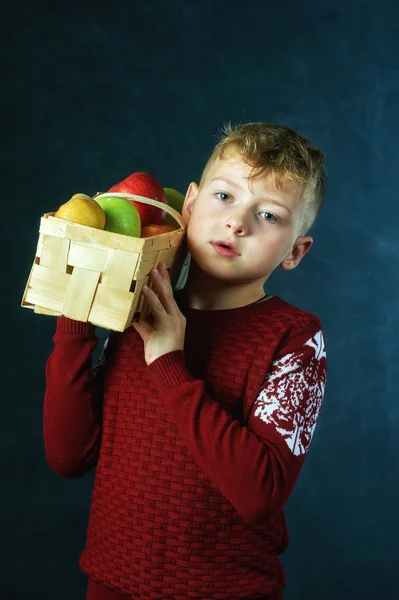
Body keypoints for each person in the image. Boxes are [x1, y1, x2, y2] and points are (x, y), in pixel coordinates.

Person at [44, 121, 328, 600]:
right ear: (191, 203)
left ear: (295, 253)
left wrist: (169, 362)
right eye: (225, 197)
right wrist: (76, 314)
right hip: (111, 584)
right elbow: (69, 457)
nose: (238, 222)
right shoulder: (139, 306)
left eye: (270, 216)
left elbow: (259, 494)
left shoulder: (295, 339)